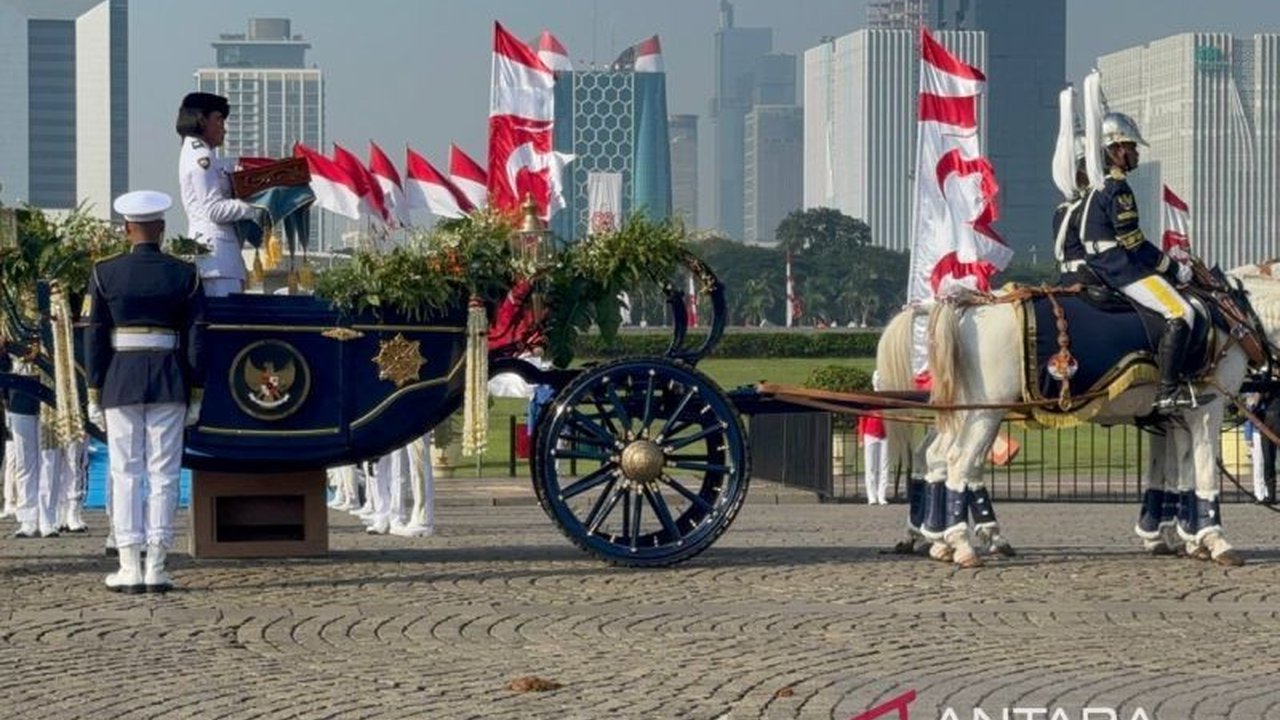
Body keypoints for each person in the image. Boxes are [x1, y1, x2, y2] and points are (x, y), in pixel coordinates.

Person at [85, 190, 206, 593]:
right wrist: (196, 389)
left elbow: (95, 337)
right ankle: (156, 564)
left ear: (126, 229)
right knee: (164, 473)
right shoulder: (184, 274)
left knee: (125, 472)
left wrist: (93, 387)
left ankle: (128, 565)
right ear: (161, 229)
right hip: (171, 377)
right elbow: (196, 337)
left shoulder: (105, 272)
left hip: (120, 378)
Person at [1079, 112, 1200, 412]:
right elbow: (1133, 243)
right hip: (1118, 267)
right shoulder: (1118, 188)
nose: (1135, 154)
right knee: (1180, 311)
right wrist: (1174, 268)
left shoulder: (1096, 186)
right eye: (1132, 147)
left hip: (1096, 263)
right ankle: (1167, 392)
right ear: (1116, 149)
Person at [176, 92, 260, 297]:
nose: (224, 127)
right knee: (224, 322)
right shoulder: (201, 157)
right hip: (217, 258)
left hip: (215, 259)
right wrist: (257, 206)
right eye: (219, 119)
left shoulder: (201, 153)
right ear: (201, 119)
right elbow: (214, 209)